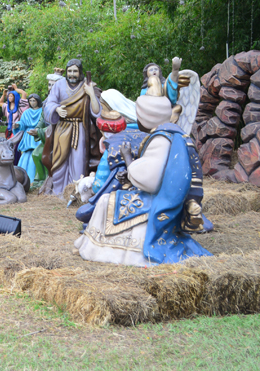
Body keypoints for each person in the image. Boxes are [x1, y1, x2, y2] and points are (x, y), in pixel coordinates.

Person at [74, 80, 212, 266]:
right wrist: (129, 178)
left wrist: (128, 159)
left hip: (160, 201)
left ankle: (110, 249)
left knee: (107, 201)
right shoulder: (174, 135)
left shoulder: (160, 139)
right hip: (165, 196)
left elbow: (150, 180)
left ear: (147, 118)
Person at [42, 59, 102, 197]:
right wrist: (56, 109)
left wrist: (91, 93)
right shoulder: (59, 85)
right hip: (62, 128)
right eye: (69, 71)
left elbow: (96, 111)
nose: (72, 74)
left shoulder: (86, 86)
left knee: (78, 161)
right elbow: (49, 103)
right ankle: (58, 192)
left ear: (80, 72)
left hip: (79, 129)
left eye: (75, 71)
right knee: (59, 161)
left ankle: (75, 193)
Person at [15, 94, 43, 182]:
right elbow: (22, 123)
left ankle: (35, 178)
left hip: (37, 135)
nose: (32, 102)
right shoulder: (26, 112)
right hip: (28, 136)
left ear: (38, 101)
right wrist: (17, 125)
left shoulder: (42, 111)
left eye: (34, 100)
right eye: (30, 101)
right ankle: (21, 177)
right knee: (25, 157)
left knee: (36, 154)